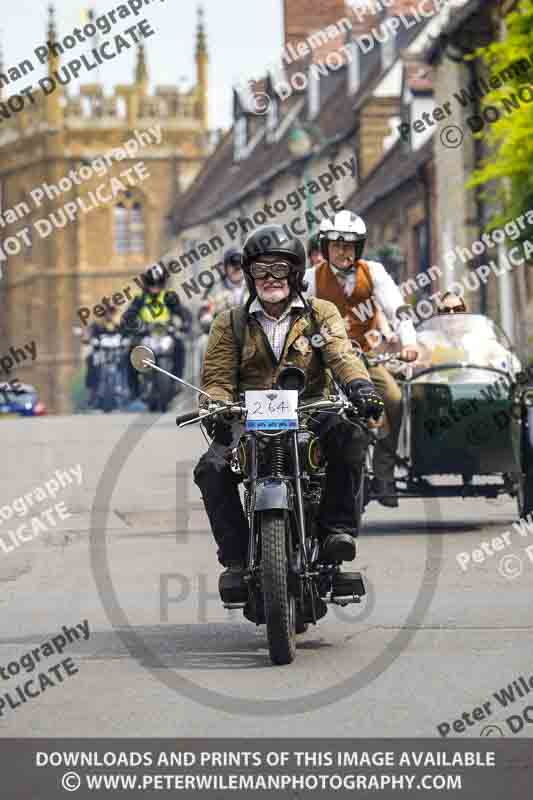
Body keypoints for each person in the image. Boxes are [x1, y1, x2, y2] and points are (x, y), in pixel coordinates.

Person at [193, 224, 384, 589]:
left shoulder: (320, 314)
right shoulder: (229, 322)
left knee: (352, 438)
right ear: (249, 274)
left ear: (295, 272)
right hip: (248, 414)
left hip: (310, 409)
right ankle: (236, 557)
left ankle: (336, 532)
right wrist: (217, 404)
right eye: (260, 269)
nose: (270, 278)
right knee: (211, 468)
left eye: (279, 268)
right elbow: (216, 377)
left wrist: (360, 386)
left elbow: (341, 355)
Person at [304, 210, 419, 507]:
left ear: (359, 247)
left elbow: (397, 308)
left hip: (365, 357)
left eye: (349, 246)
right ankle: (311, 471)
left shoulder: (374, 272)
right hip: (325, 361)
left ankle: (383, 473)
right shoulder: (311, 278)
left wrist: (409, 341)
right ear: (325, 247)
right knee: (313, 408)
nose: (342, 252)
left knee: (394, 399)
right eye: (336, 245)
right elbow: (296, 317)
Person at [121, 264, 192, 397]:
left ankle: (177, 381)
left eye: (158, 283)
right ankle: (133, 388)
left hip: (166, 333)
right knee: (131, 351)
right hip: (145, 334)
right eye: (152, 283)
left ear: (163, 282)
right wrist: (130, 327)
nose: (155, 287)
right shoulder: (140, 298)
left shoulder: (169, 297)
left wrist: (186, 323)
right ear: (146, 283)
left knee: (180, 346)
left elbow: (182, 312)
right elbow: (129, 315)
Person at [84, 305, 121, 408]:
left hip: (115, 353)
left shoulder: (118, 326)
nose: (110, 315)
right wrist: (88, 339)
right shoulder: (97, 325)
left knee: (127, 361)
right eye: (108, 312)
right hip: (100, 353)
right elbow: (88, 335)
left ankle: (126, 389)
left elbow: (125, 335)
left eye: (112, 312)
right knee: (90, 359)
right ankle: (92, 391)